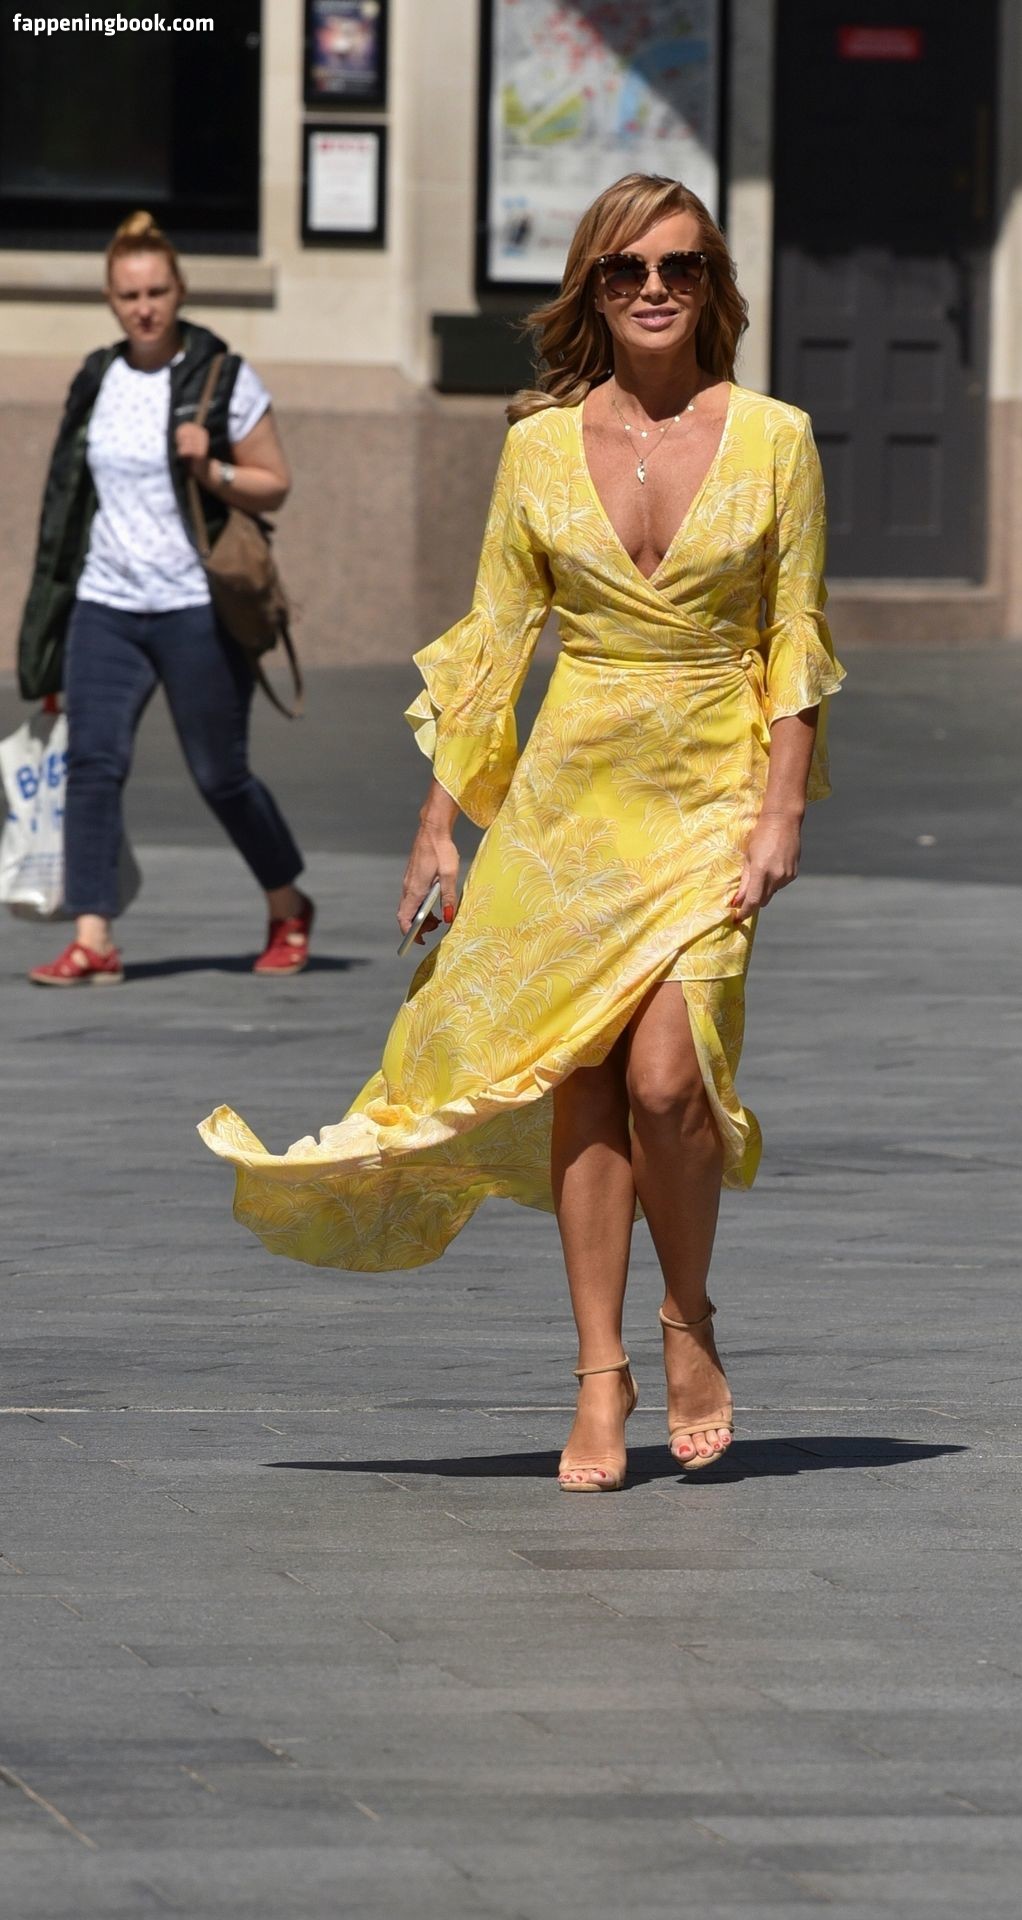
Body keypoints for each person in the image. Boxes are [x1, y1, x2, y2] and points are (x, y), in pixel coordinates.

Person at [201, 173, 843, 1490]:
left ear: (712, 286)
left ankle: (687, 1318)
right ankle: (600, 1372)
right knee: (582, 1077)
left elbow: (796, 638)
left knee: (669, 1081)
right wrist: (438, 822)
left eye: (677, 266)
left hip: (710, 792)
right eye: (625, 270)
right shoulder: (538, 449)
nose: (653, 289)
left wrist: (782, 807)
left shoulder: (776, 438)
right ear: (590, 290)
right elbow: (494, 645)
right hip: (569, 806)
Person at [16, 210, 311, 987]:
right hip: (105, 602)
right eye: (128, 295)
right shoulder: (97, 378)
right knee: (92, 764)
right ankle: (93, 938)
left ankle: (286, 904)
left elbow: (274, 483)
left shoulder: (222, 376)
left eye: (155, 292)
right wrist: (49, 620)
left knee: (220, 775)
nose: (143, 308)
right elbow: (66, 503)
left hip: (193, 607)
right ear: (110, 300)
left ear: (179, 291)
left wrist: (212, 468)